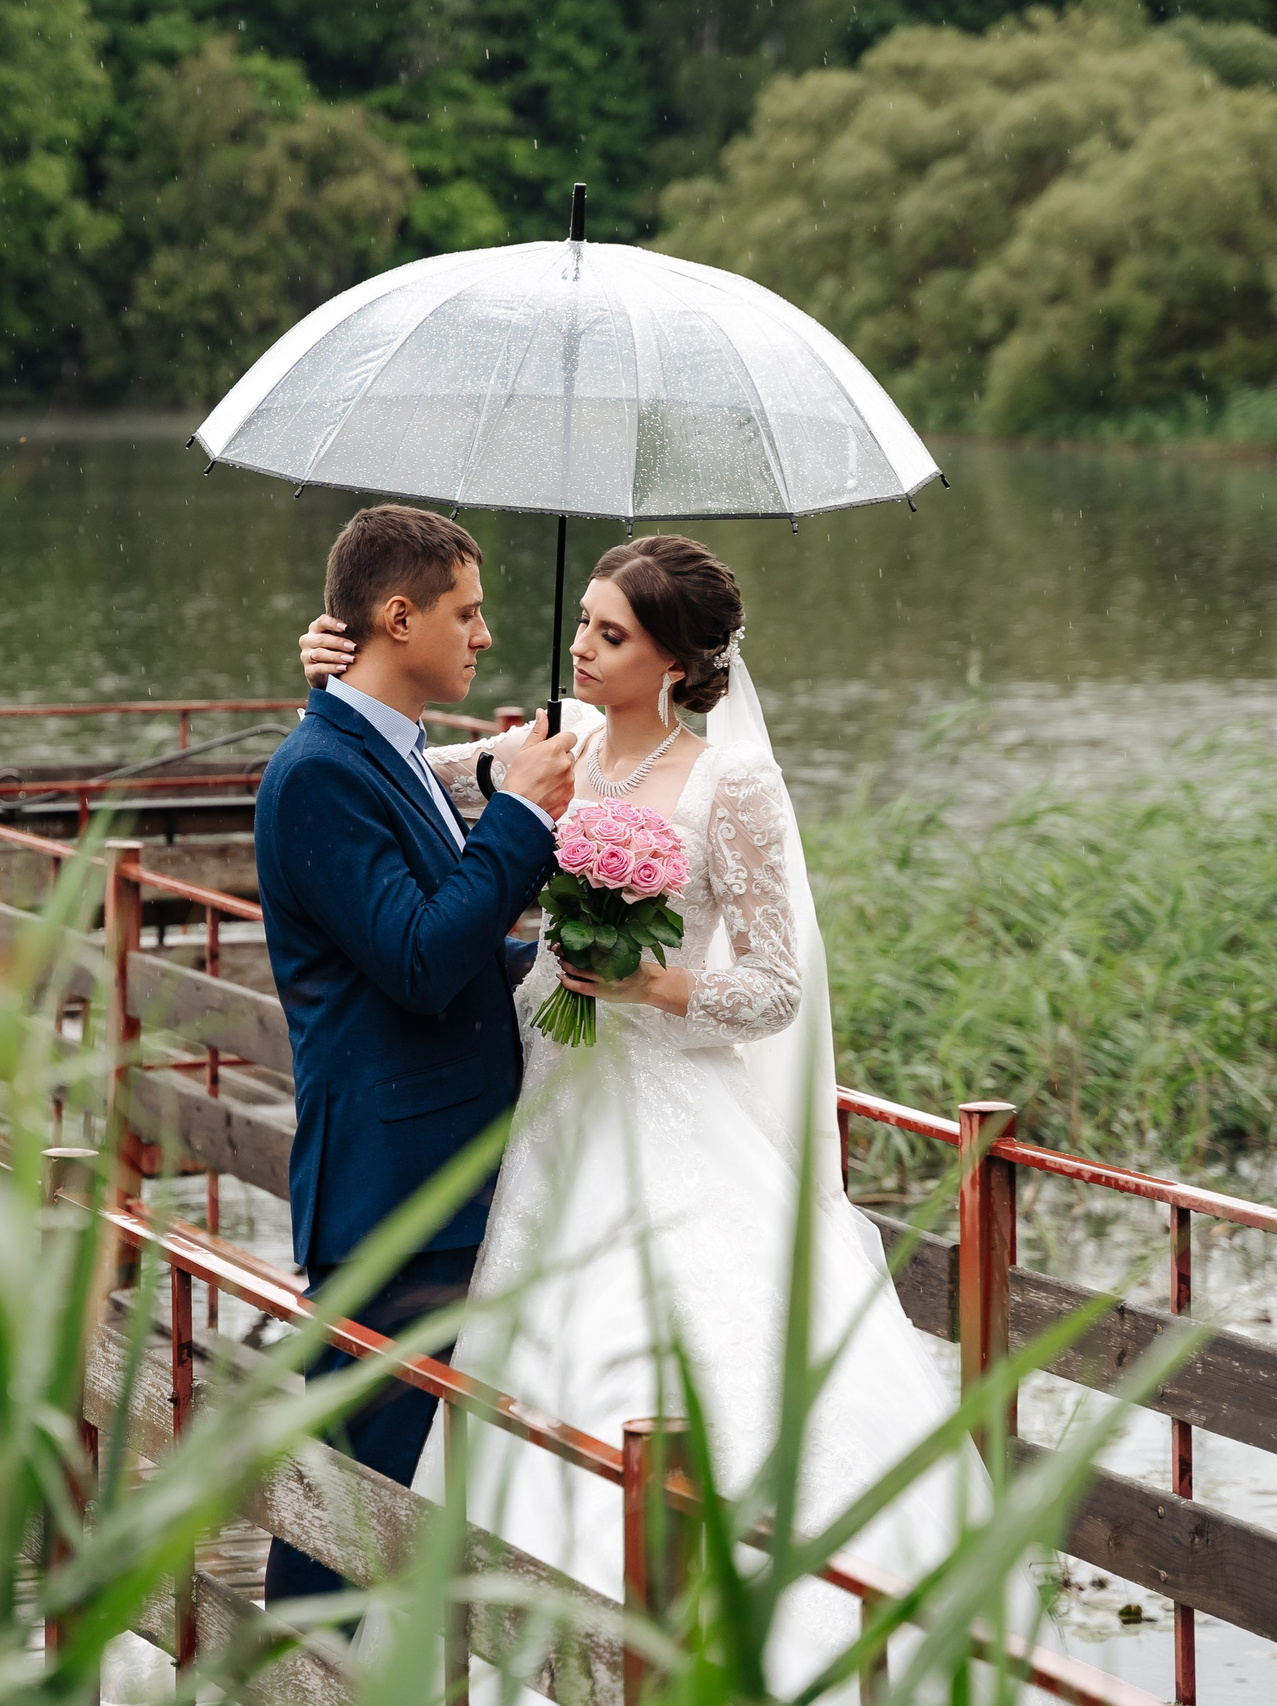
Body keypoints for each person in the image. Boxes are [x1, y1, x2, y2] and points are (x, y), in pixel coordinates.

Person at [297, 535, 994, 1694]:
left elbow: (774, 987)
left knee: (697, 1368)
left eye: (608, 633)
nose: (577, 643)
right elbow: (397, 764)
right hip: (552, 1115)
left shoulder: (735, 784)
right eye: (581, 620)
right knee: (535, 1366)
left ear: (676, 660)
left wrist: (652, 983)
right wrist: (327, 669)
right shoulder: (546, 748)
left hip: (672, 1106)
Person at [255, 503, 579, 1611]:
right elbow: (414, 957)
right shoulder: (319, 774)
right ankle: (288, 1689)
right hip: (395, 1193)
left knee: (389, 1488)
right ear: (399, 617)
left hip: (449, 1174)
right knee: (345, 1492)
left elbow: (456, 937)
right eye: (466, 611)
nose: (483, 634)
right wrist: (522, 818)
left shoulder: (384, 753)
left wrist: (558, 958)